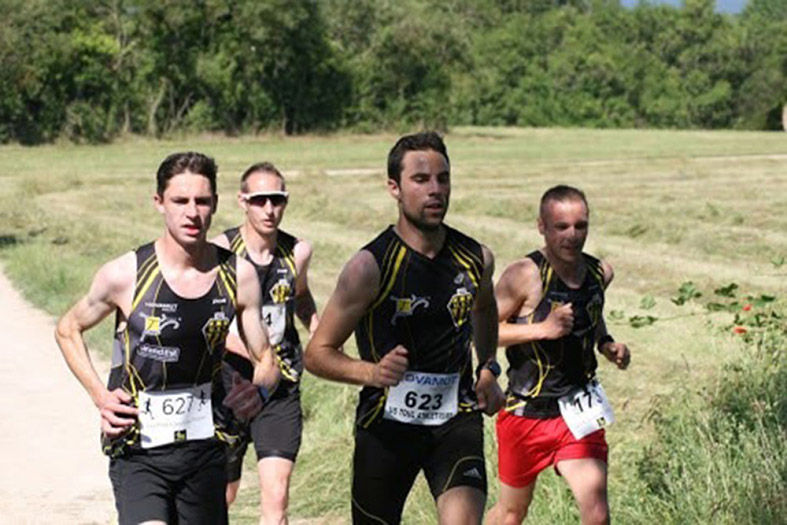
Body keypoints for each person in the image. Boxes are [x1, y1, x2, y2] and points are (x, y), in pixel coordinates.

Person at [54, 152, 279, 525]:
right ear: (159, 202)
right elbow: (67, 329)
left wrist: (260, 391)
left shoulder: (238, 276)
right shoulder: (125, 275)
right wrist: (100, 396)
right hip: (138, 450)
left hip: (205, 450)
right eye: (180, 201)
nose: (192, 213)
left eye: (202, 201)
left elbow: (267, 359)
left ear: (215, 204)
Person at [305, 131, 505, 525]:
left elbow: (484, 309)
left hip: (456, 419)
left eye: (443, 179)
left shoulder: (475, 258)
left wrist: (488, 368)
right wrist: (372, 373)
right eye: (421, 179)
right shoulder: (369, 267)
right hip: (387, 425)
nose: (435, 190)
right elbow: (316, 354)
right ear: (394, 188)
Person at [490, 185, 631, 525]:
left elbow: (591, 312)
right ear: (541, 226)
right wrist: (541, 329)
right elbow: (480, 331)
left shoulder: (599, 273)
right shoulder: (524, 275)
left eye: (580, 226)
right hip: (526, 413)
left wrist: (606, 343)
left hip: (578, 411)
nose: (572, 235)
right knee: (511, 513)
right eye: (561, 227)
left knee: (597, 512)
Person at [212, 162, 319, 524]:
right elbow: (207, 321)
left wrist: (318, 330)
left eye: (277, 200)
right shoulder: (220, 252)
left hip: (280, 386)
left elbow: (300, 296)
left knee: (277, 494)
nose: (269, 209)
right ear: (242, 201)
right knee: (221, 496)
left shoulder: (297, 252)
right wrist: (258, 355)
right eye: (259, 200)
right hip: (228, 385)